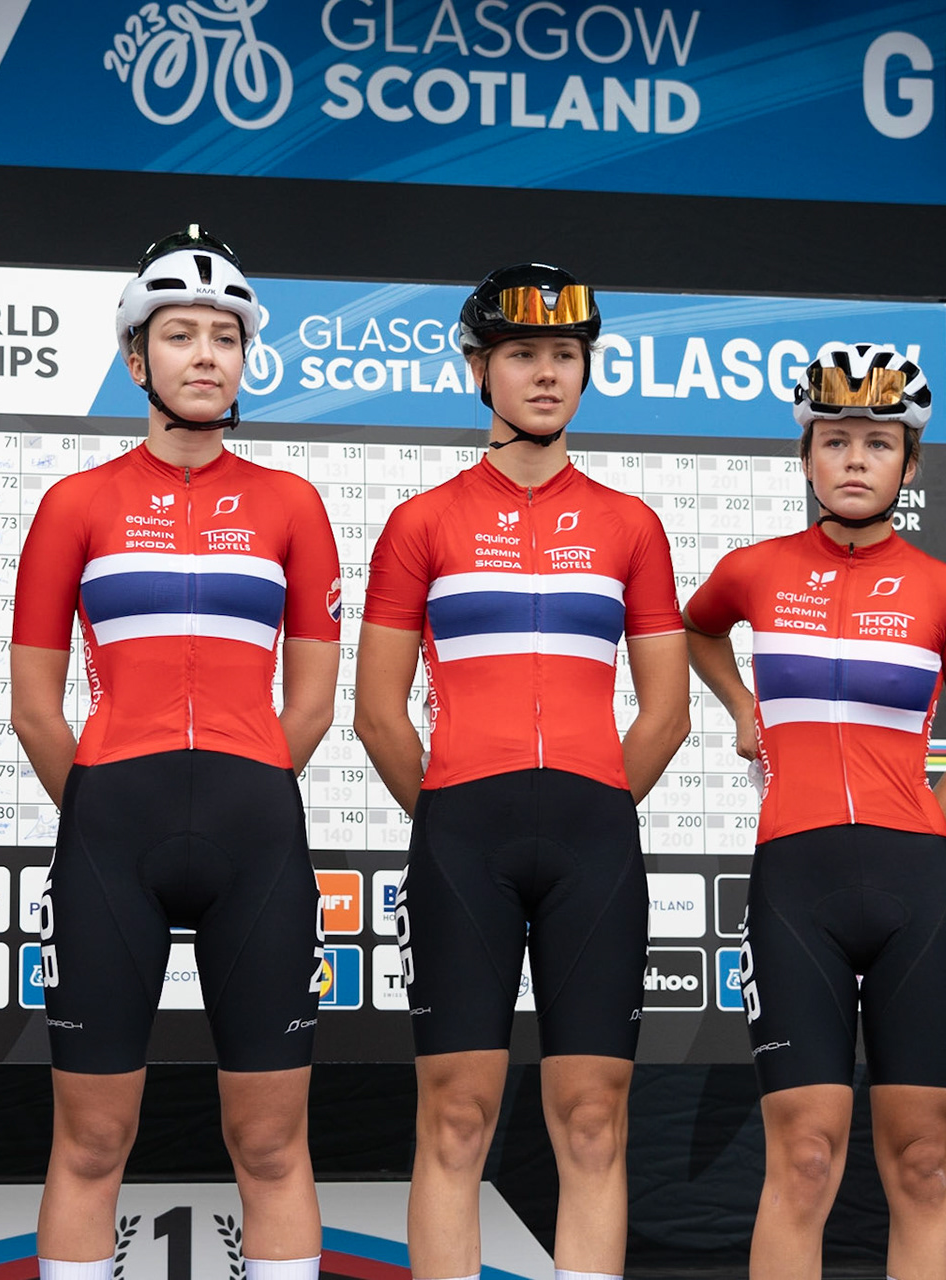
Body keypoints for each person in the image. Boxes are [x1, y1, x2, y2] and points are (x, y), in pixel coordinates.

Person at [9, 226, 342, 1280]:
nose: (207, 355)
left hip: (257, 836)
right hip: (113, 837)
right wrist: (114, 796)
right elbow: (31, 706)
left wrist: (236, 779)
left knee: (273, 1142)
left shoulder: (293, 504)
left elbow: (319, 699)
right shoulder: (75, 503)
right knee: (92, 1139)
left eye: (225, 336)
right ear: (134, 358)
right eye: (181, 334)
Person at [354, 263, 691, 1280]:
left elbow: (668, 713)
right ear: (478, 368)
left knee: (593, 1121)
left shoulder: (632, 523)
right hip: (463, 840)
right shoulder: (422, 522)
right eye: (523, 355)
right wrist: (461, 808)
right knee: (456, 1117)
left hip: (594, 844)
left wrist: (583, 798)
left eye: (565, 355)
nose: (547, 375)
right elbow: (376, 712)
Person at [682, 342, 946, 1280]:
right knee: (806, 1156)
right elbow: (699, 631)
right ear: (806, 456)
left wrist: (918, 819)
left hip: (917, 892)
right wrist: (745, 709)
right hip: (796, 884)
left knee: (925, 1162)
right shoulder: (753, 569)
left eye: (877, 441)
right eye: (834, 440)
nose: (854, 459)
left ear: (909, 462)